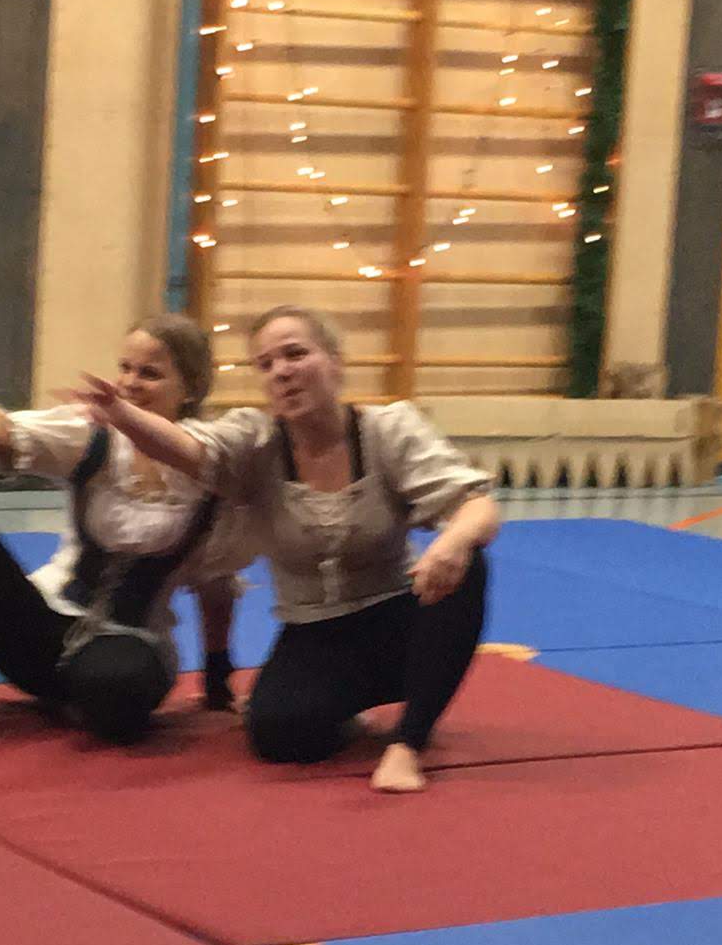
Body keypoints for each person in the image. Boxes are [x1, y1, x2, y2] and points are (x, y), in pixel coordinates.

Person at [66, 304, 498, 793]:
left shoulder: (390, 429)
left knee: (469, 563)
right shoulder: (255, 443)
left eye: (295, 354)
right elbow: (189, 449)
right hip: (314, 631)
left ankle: (408, 742)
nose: (282, 371)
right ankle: (348, 710)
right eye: (266, 364)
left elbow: (478, 505)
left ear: (335, 362)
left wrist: (451, 542)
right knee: (279, 735)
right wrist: (121, 413)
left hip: (397, 620)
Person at [0, 314, 248, 746]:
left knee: (117, 688)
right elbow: (10, 432)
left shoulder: (208, 461)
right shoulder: (95, 433)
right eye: (125, 368)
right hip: (45, 628)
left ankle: (82, 697)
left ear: (190, 387)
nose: (130, 383)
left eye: (149, 373)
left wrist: (218, 674)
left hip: (131, 642)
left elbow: (216, 583)